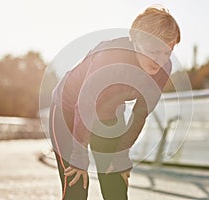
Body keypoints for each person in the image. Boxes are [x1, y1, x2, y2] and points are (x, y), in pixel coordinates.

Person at [49, 5, 180, 200]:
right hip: (67, 110)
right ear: (135, 41)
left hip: (109, 113)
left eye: (166, 52)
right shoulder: (109, 58)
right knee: (76, 185)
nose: (159, 61)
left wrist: (121, 156)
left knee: (115, 185)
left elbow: (140, 113)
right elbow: (84, 106)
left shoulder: (163, 68)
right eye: (153, 51)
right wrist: (79, 157)